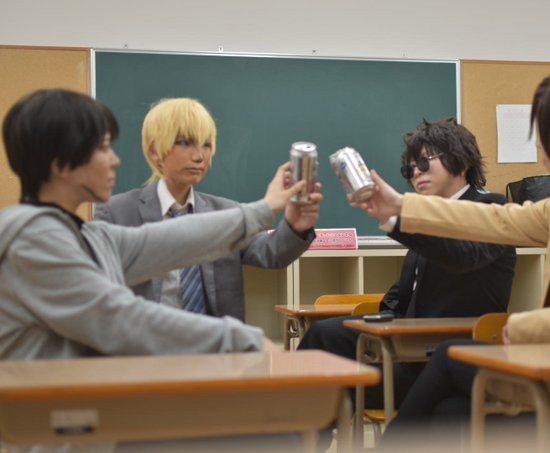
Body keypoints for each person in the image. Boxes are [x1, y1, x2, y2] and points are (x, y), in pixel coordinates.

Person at [353, 62, 550, 449]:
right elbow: (502, 220)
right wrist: (402, 205)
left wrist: (535, 326)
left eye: (546, 130)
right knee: (450, 412)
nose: (537, 143)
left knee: (450, 359)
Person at [0, 89, 313, 451]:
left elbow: (169, 241)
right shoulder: (35, 241)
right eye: (103, 148)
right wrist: (242, 340)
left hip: (95, 419)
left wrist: (265, 208)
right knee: (273, 435)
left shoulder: (83, 235)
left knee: (271, 431)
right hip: (59, 435)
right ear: (60, 164)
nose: (115, 160)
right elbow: (118, 317)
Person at [298, 118, 516, 448]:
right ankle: (296, 441)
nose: (416, 173)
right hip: (406, 352)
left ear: (461, 162)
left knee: (337, 380)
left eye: (425, 162)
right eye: (409, 168)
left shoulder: (491, 208)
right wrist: (379, 320)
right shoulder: (426, 215)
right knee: (323, 337)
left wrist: (396, 220)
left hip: (447, 357)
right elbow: (404, 293)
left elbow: (463, 256)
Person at [94, 98, 320, 320]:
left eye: (206, 145)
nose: (199, 156)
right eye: (184, 143)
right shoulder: (117, 213)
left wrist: (295, 226)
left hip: (217, 339)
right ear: (154, 151)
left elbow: (270, 253)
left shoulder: (225, 212)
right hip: (146, 339)